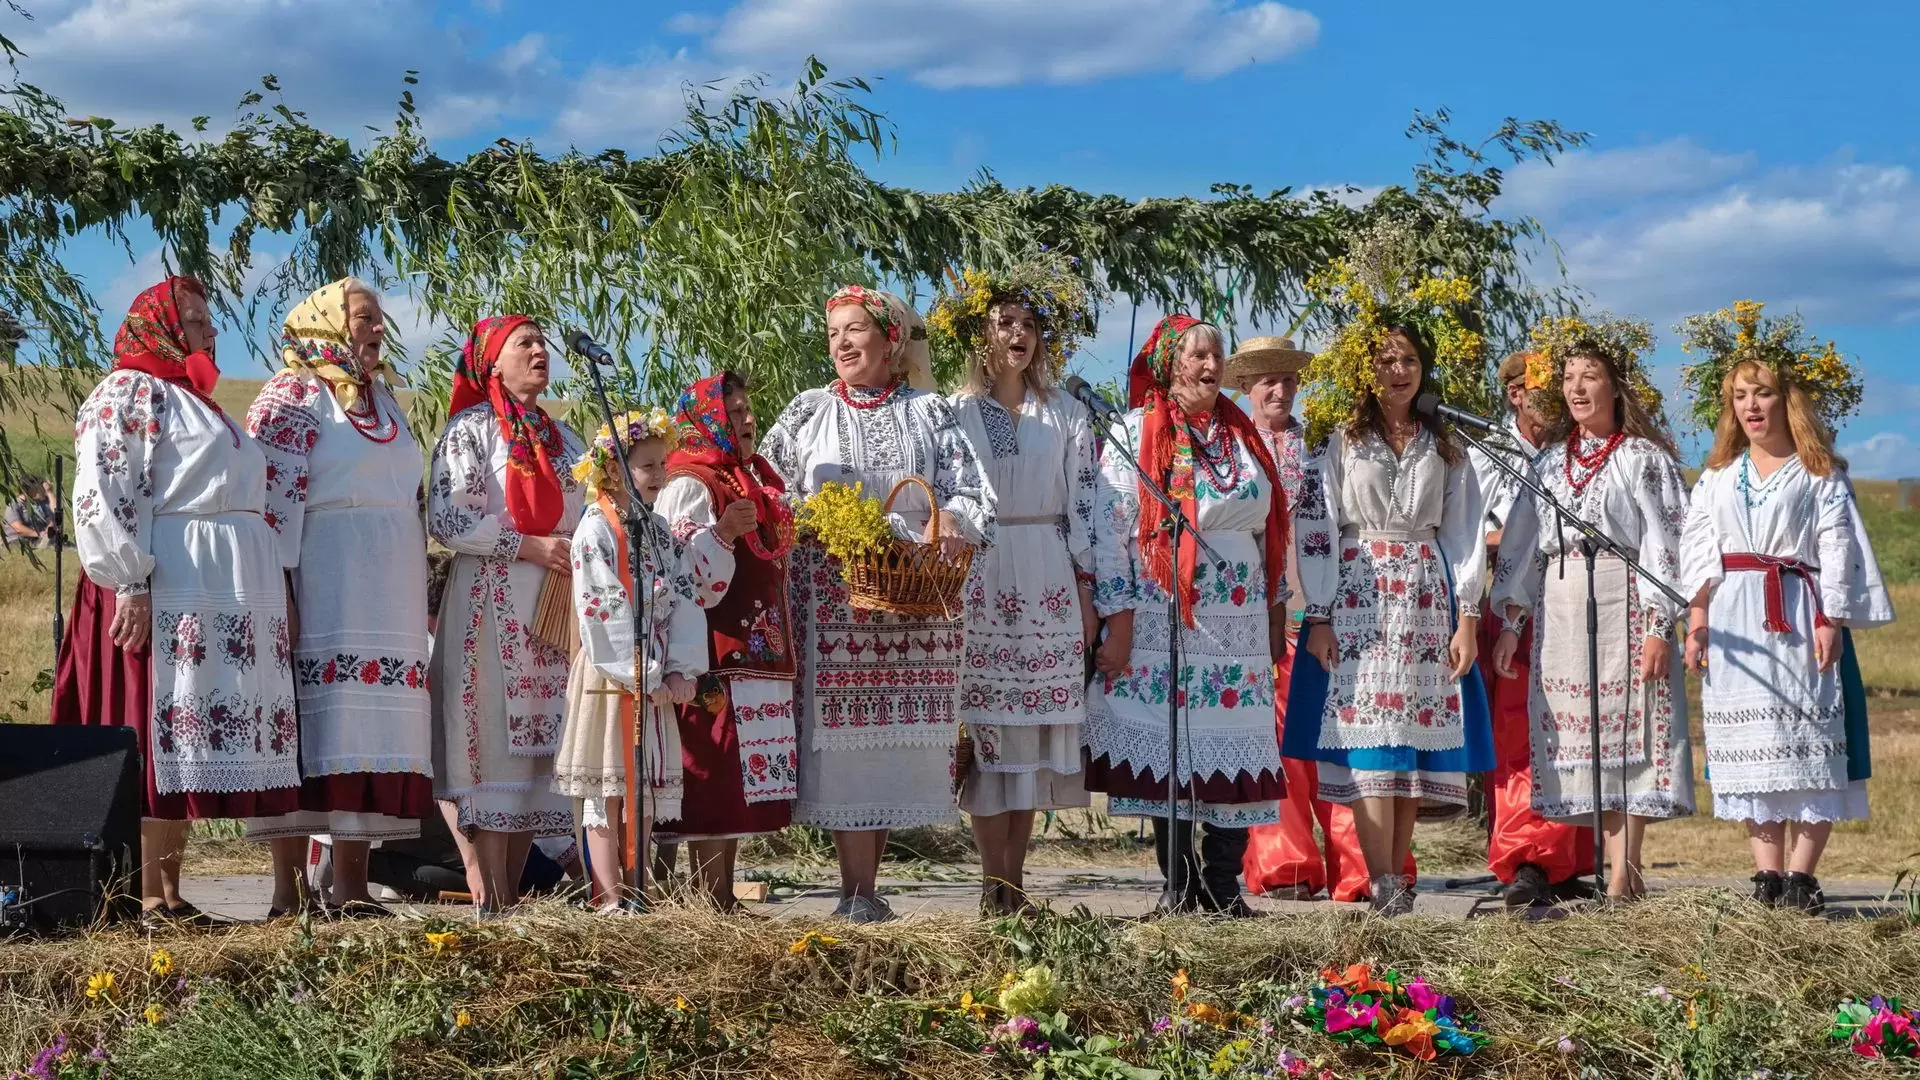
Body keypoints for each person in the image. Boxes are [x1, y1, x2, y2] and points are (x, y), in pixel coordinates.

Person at [52, 276, 305, 922]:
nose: (211, 333)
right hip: (162, 590)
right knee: (156, 734)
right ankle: (142, 894)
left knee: (185, 750)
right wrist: (129, 581)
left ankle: (168, 892)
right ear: (160, 328)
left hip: (219, 591)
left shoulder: (202, 404)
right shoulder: (130, 392)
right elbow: (106, 487)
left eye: (208, 321)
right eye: (196, 322)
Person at [759, 285, 992, 924]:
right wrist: (821, 521)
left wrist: (949, 525)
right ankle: (851, 890)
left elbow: (973, 492)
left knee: (889, 747)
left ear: (890, 341)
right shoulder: (808, 412)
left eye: (856, 329)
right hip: (833, 603)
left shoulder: (932, 411)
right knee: (843, 745)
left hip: (916, 598)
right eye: (834, 331)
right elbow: (768, 490)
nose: (842, 342)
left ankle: (868, 888)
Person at [1084, 315, 1290, 916]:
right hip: (1162, 615)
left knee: (1236, 742)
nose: (1208, 366)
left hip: (1239, 618)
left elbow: (1272, 530)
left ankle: (1224, 886)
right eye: (1195, 356)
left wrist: (1276, 611)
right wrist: (1116, 617)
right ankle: (1178, 884)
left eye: (1215, 355)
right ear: (1169, 365)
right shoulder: (1134, 433)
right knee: (1168, 745)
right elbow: (1110, 533)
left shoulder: (1245, 434)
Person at [242, 279, 435, 918]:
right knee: (311, 726)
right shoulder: (295, 395)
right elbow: (267, 503)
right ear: (327, 324)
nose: (379, 328)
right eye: (364, 318)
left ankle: (350, 887)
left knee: (367, 730)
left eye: (380, 318)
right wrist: (280, 591)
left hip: (388, 594)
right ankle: (288, 891)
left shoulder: (385, 402)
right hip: (323, 580)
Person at [1284, 324, 1491, 917]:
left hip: (1426, 596)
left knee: (1407, 750)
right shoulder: (1341, 442)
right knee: (1370, 744)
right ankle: (1379, 882)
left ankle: (1398, 882)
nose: (1398, 371)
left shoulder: (1445, 446)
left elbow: (1465, 534)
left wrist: (1468, 616)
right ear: (1363, 370)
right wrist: (1318, 613)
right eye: (1385, 360)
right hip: (1359, 595)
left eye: (1408, 360)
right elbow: (1318, 526)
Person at [1681, 356, 1894, 913]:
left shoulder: (1819, 472)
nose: (1751, 406)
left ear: (1787, 400)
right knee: (1753, 750)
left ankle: (1802, 877)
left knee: (1807, 744)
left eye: (1763, 393)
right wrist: (1698, 621)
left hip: (1799, 609)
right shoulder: (1718, 477)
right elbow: (1699, 548)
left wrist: (1830, 617)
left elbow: (1836, 545)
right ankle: (1767, 875)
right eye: (1740, 395)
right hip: (1735, 615)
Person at [1491, 338, 1693, 902]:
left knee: (1627, 735)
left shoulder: (1642, 459)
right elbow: (1522, 546)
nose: (1578, 388)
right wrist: (1511, 620)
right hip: (1561, 603)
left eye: (1590, 376)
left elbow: (1666, 544)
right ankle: (1615, 872)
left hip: (1623, 594)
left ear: (1614, 386)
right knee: (1589, 744)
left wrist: (1659, 625)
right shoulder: (1549, 462)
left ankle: (1625, 874)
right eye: (1570, 377)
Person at [1232, 337, 1416, 905]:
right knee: (1275, 743)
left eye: (1288, 380)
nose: (1279, 390)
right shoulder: (1231, 450)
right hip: (1251, 611)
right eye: (1267, 380)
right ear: (1246, 389)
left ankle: (1363, 866)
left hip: (1328, 610)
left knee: (1341, 737)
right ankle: (1286, 863)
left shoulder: (1323, 446)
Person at [427, 314, 586, 914]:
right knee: (493, 747)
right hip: (490, 604)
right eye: (525, 344)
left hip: (553, 606)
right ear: (492, 361)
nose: (540, 351)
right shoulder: (472, 432)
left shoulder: (565, 439)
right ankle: (488, 898)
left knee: (538, 756)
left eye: (543, 342)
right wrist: (529, 545)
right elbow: (449, 517)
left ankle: (512, 897)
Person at [948, 294, 1098, 916]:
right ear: (980, 334)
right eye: (1005, 323)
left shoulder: (1064, 411)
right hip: (983, 570)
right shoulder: (955, 412)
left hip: (1049, 572)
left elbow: (1087, 505)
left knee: (1032, 740)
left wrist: (1089, 589)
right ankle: (993, 884)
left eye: (1030, 325)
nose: (1019, 334)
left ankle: (1016, 884)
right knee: (992, 738)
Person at [656, 373, 802, 911]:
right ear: (707, 421)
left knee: (738, 782)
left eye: (747, 410)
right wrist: (723, 534)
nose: (746, 420)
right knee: (711, 773)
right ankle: (703, 898)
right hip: (717, 651)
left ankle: (719, 895)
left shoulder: (750, 478)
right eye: (733, 411)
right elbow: (677, 575)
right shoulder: (690, 484)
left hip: (755, 649)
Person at [554, 408, 706, 912]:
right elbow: (603, 603)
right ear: (615, 469)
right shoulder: (595, 529)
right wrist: (642, 673)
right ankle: (608, 895)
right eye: (648, 466)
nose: (661, 474)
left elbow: (684, 595)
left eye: (663, 463)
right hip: (612, 674)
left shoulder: (659, 531)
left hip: (655, 673)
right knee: (606, 787)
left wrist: (681, 669)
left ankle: (638, 890)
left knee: (640, 788)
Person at [1467, 352, 1595, 909]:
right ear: (1517, 395)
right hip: (1510, 601)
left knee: (1574, 727)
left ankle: (1567, 859)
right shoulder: (1486, 454)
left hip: (1574, 595)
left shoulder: (1578, 450)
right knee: (1519, 732)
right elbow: (1472, 534)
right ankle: (1526, 857)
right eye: (1546, 390)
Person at [4, 477, 55, 549]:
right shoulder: (14, 505)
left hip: (35, 540)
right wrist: (40, 534)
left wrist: (49, 492)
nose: (42, 490)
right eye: (39, 488)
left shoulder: (39, 504)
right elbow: (17, 528)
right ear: (30, 490)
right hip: (16, 541)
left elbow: (56, 513)